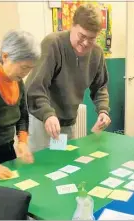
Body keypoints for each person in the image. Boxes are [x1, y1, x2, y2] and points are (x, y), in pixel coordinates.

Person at [25, 4, 111, 152]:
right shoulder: (53, 44)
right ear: (72, 26)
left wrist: (103, 110)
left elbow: (100, 87)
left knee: (62, 164)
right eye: (82, 36)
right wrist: (48, 114)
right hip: (42, 120)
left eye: (91, 39)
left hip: (67, 122)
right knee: (41, 169)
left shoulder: (96, 53)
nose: (85, 43)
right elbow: (34, 87)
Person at [0, 30, 40, 179]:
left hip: (6, 149)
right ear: (5, 56)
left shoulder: (17, 79)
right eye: (24, 67)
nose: (26, 74)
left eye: (30, 69)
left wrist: (23, 142)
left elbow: (22, 115)